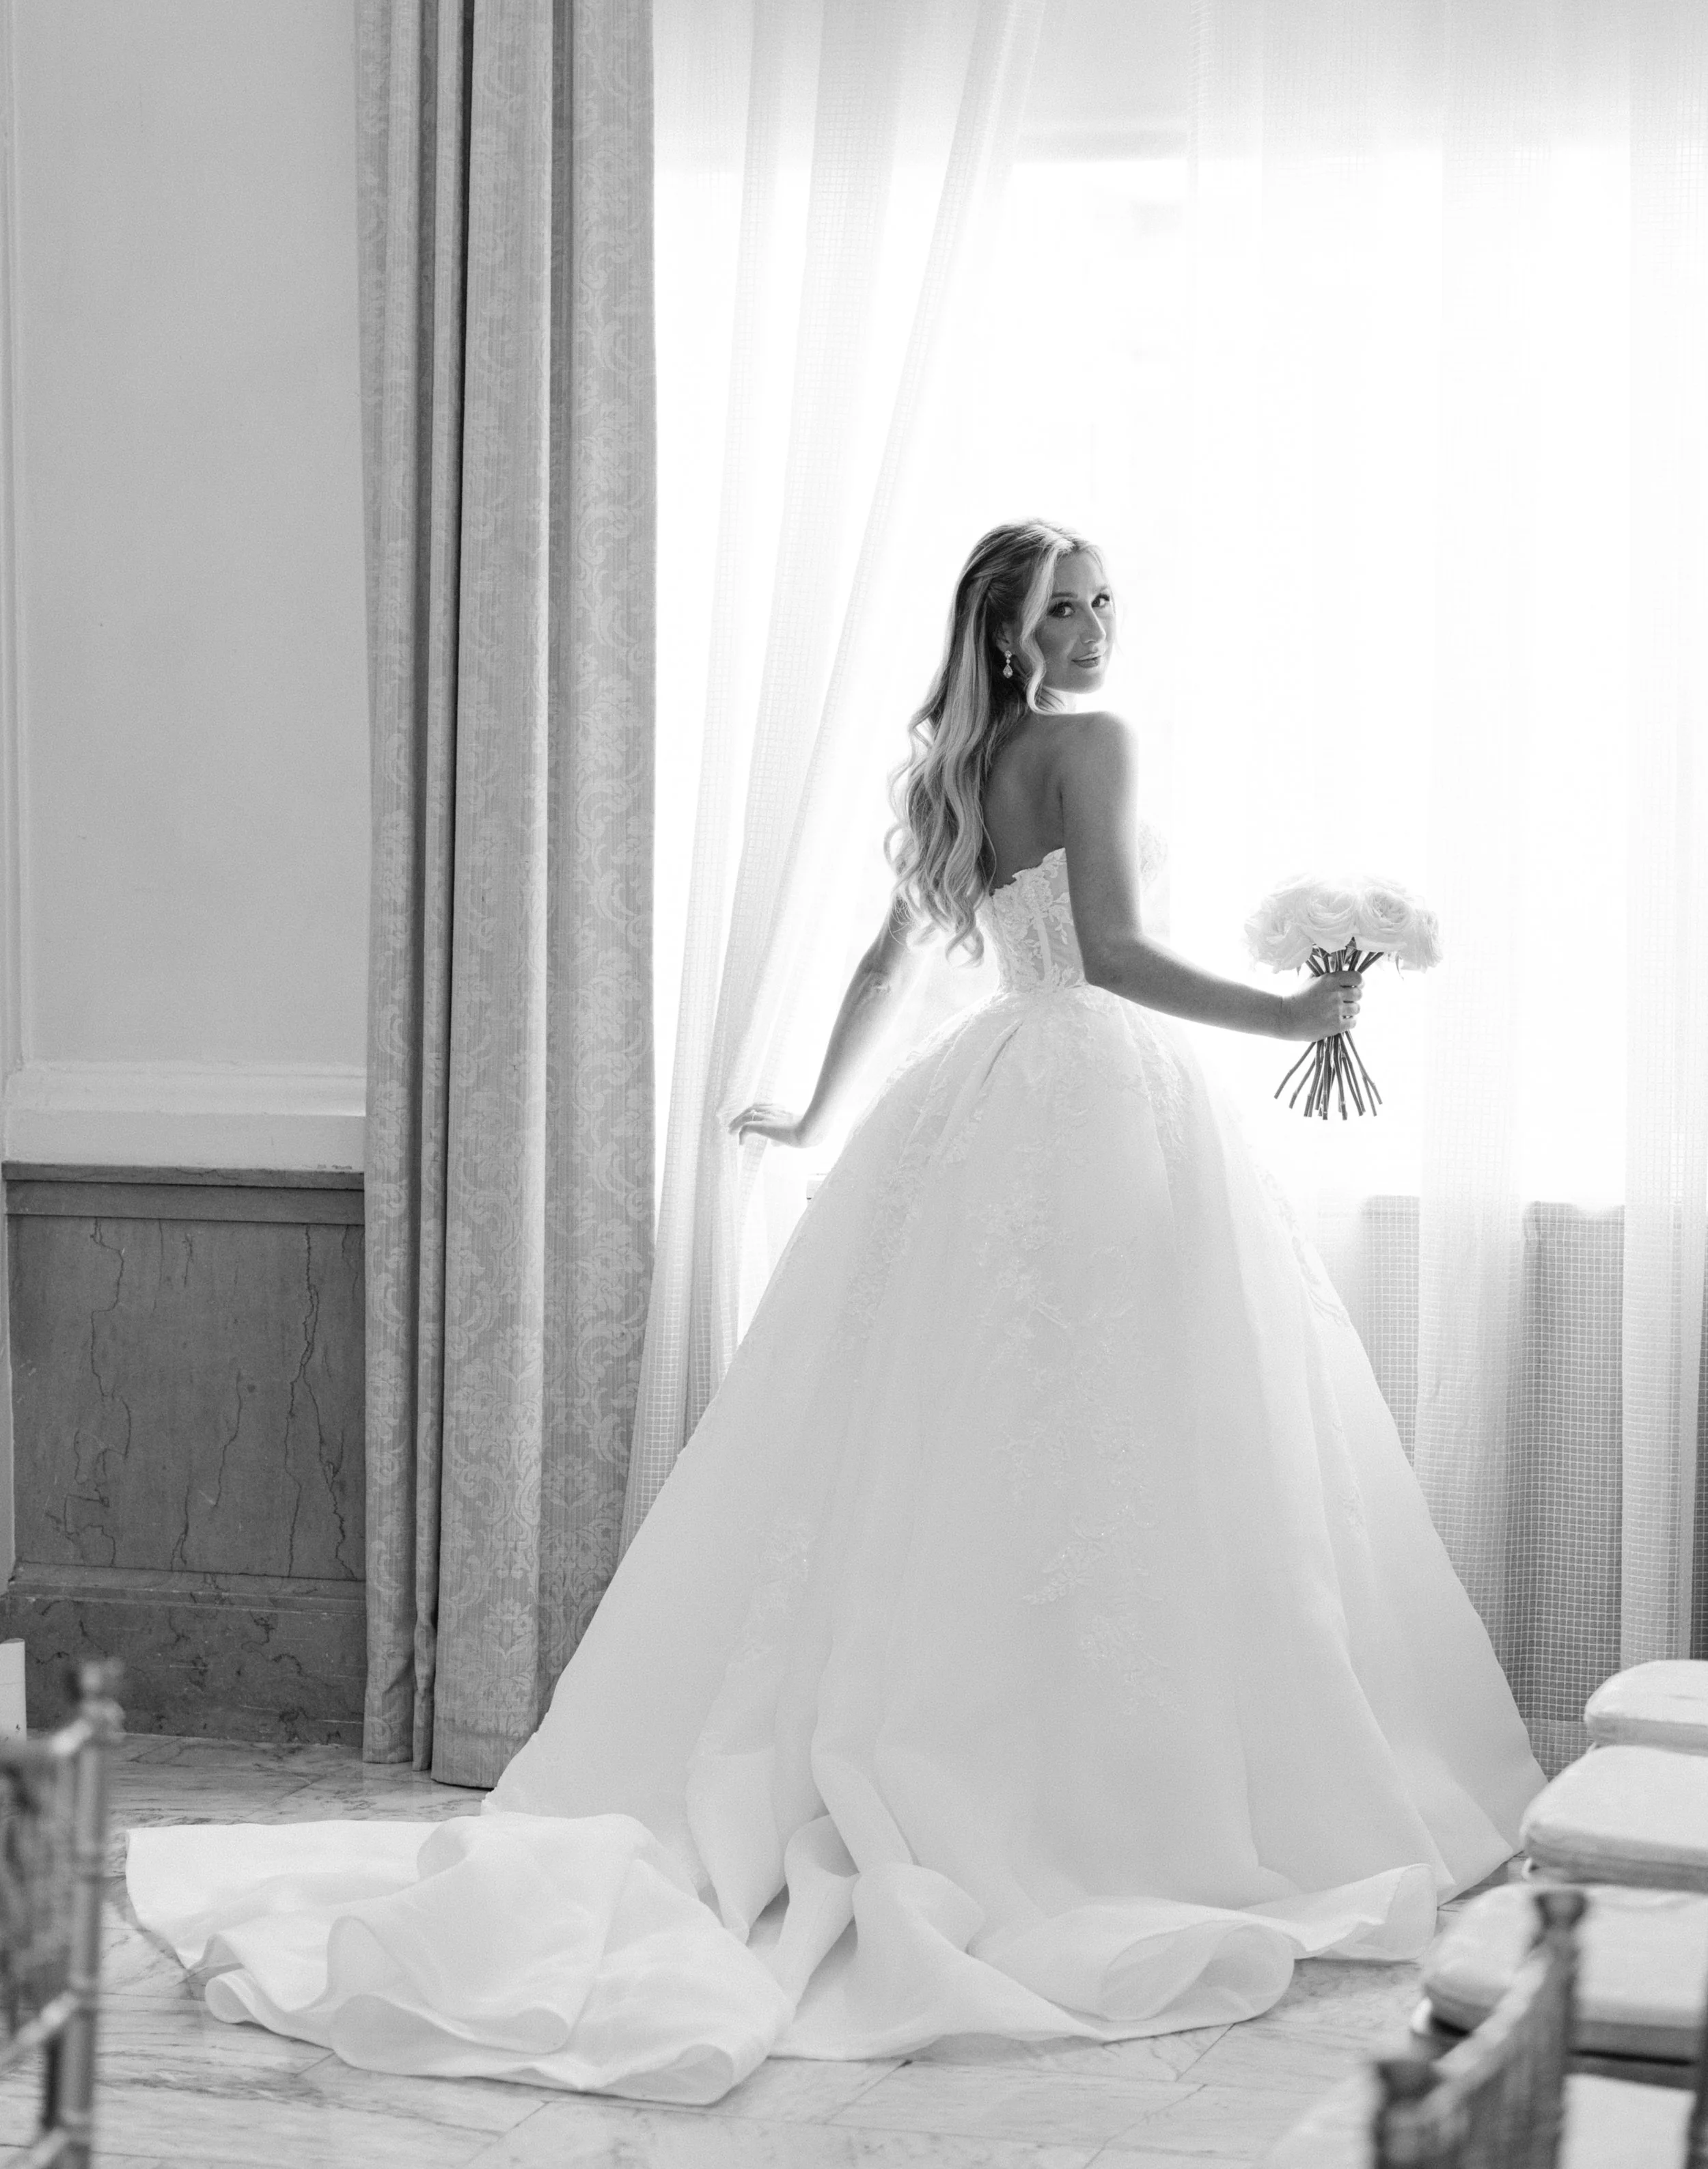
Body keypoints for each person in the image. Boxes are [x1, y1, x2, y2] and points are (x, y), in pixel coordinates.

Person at [128, 519, 1544, 2104]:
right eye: (1057, 611)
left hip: (990, 1098)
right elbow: (1119, 951)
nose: (1089, 630)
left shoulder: (967, 755)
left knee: (999, 1446)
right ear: (1005, 633)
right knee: (1134, 1437)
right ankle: (1097, 1797)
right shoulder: (1088, 745)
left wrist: (814, 1115)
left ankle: (1016, 1758)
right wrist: (1292, 1008)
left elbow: (892, 954)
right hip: (1090, 1096)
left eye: (1099, 604)